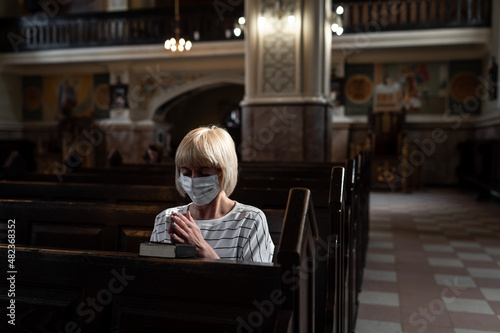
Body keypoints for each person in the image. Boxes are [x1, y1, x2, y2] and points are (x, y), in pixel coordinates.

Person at [150, 125, 275, 262]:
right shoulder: (166, 219)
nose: (193, 180)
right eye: (186, 172)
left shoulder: (250, 220)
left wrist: (205, 251)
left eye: (204, 173)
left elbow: (256, 282)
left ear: (224, 171)